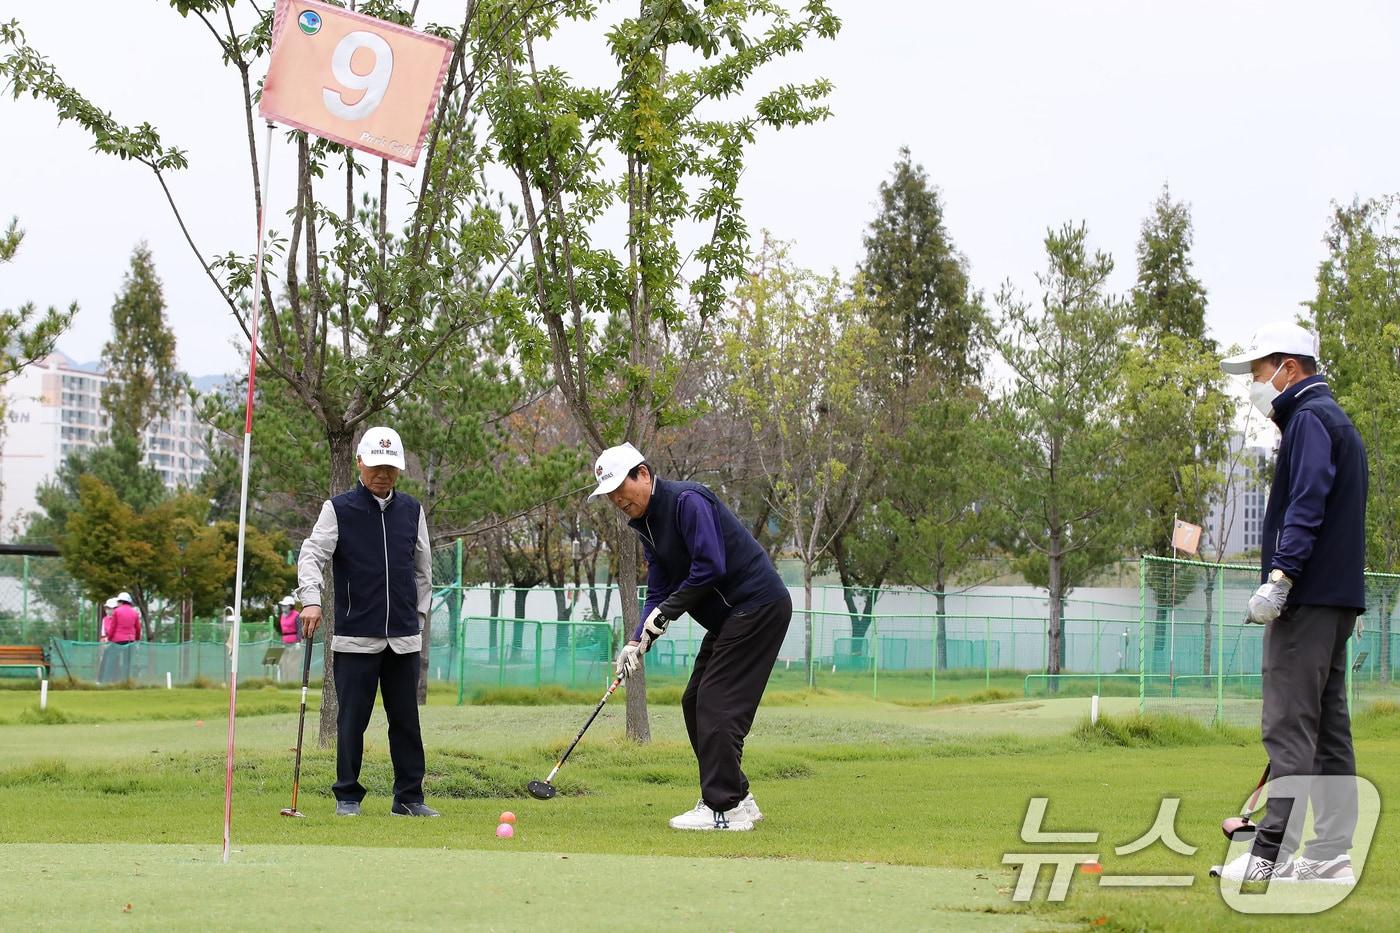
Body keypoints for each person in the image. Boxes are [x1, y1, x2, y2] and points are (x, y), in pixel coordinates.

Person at [1212, 322, 1367, 884]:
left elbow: (1307, 501)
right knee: (1327, 730)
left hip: (1305, 598)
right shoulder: (1328, 418)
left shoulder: (1308, 419)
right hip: (1335, 599)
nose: (1254, 387)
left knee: (1288, 725)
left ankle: (1268, 859)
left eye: (1257, 374)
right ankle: (1329, 855)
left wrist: (1280, 577)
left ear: (1289, 368)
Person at [591, 442, 792, 831]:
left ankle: (723, 808)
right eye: (609, 493)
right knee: (695, 700)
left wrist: (664, 616)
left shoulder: (688, 501)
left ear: (644, 474)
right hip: (730, 617)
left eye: (620, 487)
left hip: (757, 606)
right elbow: (660, 589)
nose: (616, 498)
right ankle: (738, 796)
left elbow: (710, 567)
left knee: (717, 703)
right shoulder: (646, 525)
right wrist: (637, 640)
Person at [296, 426, 436, 818]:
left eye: (391, 467)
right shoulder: (338, 508)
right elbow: (312, 555)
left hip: (404, 639)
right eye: (376, 465)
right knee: (351, 721)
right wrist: (310, 600)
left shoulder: (412, 510)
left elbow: (423, 571)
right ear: (360, 462)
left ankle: (409, 798)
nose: (383, 474)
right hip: (356, 637)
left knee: (406, 721)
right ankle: (347, 796)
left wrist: (418, 616)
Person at [104, 592, 143, 683]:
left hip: (117, 640)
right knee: (127, 663)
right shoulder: (134, 613)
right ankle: (125, 682)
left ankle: (105, 681)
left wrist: (109, 638)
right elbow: (138, 628)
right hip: (130, 640)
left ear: (121, 602)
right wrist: (136, 639)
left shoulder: (117, 611)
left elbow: (113, 627)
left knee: (110, 661)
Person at [276, 596, 302, 680]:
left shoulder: (296, 615)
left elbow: (299, 629)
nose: (283, 607)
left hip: (294, 643)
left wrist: (298, 642)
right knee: (283, 663)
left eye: (285, 605)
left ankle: (293, 681)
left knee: (292, 664)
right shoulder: (282, 616)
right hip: (285, 642)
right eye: (283, 606)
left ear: (290, 606)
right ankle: (284, 681)